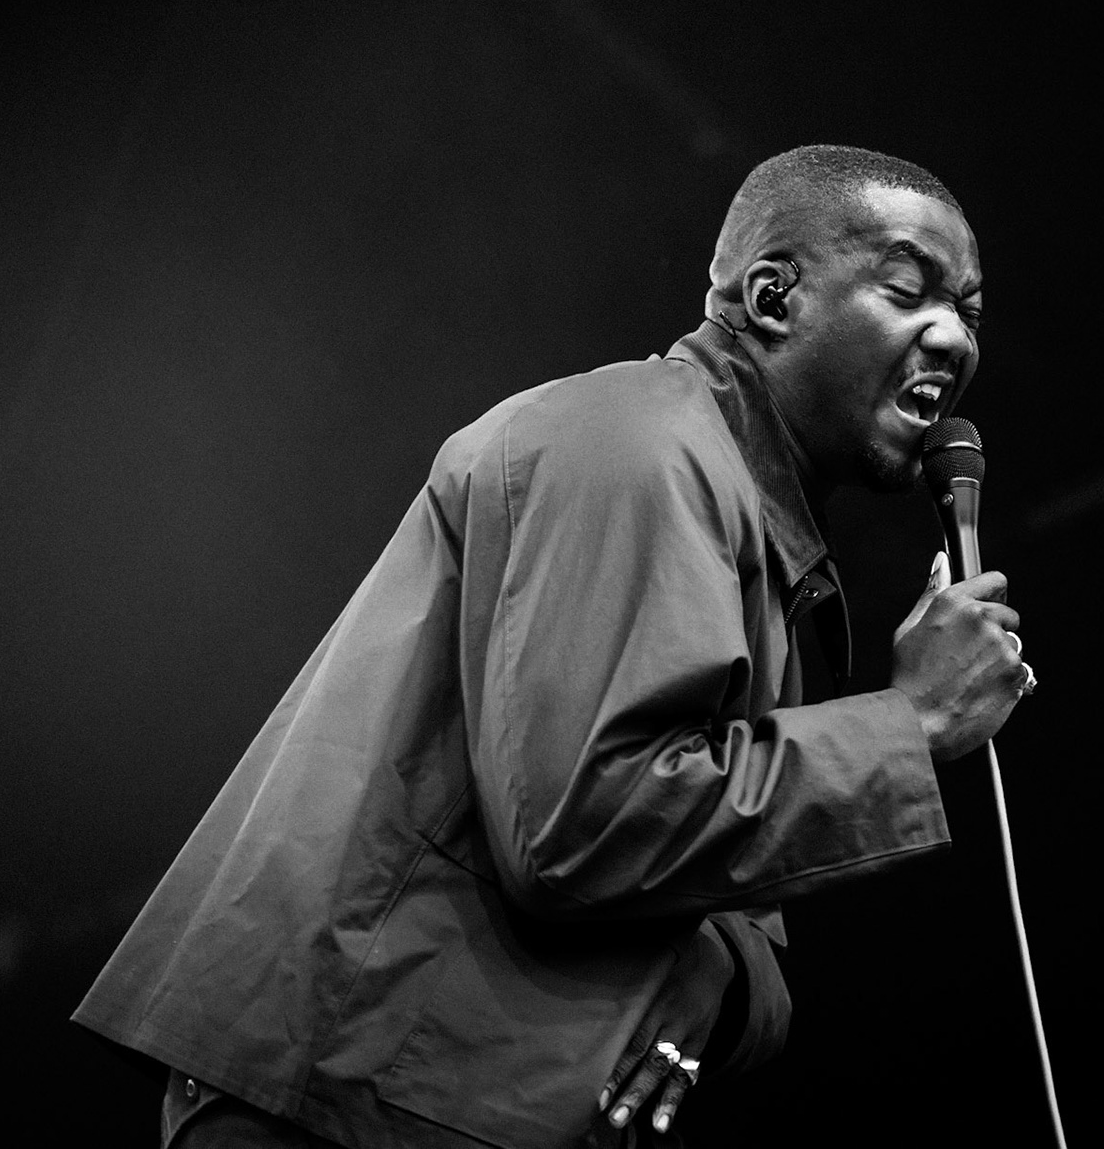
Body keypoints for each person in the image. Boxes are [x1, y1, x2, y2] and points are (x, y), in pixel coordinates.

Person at [73, 145, 1034, 1147]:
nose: (953, 337)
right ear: (772, 295)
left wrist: (719, 961)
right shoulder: (633, 444)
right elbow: (579, 823)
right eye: (908, 288)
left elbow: (696, 880)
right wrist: (908, 724)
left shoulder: (749, 526)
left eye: (968, 310)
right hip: (338, 1106)